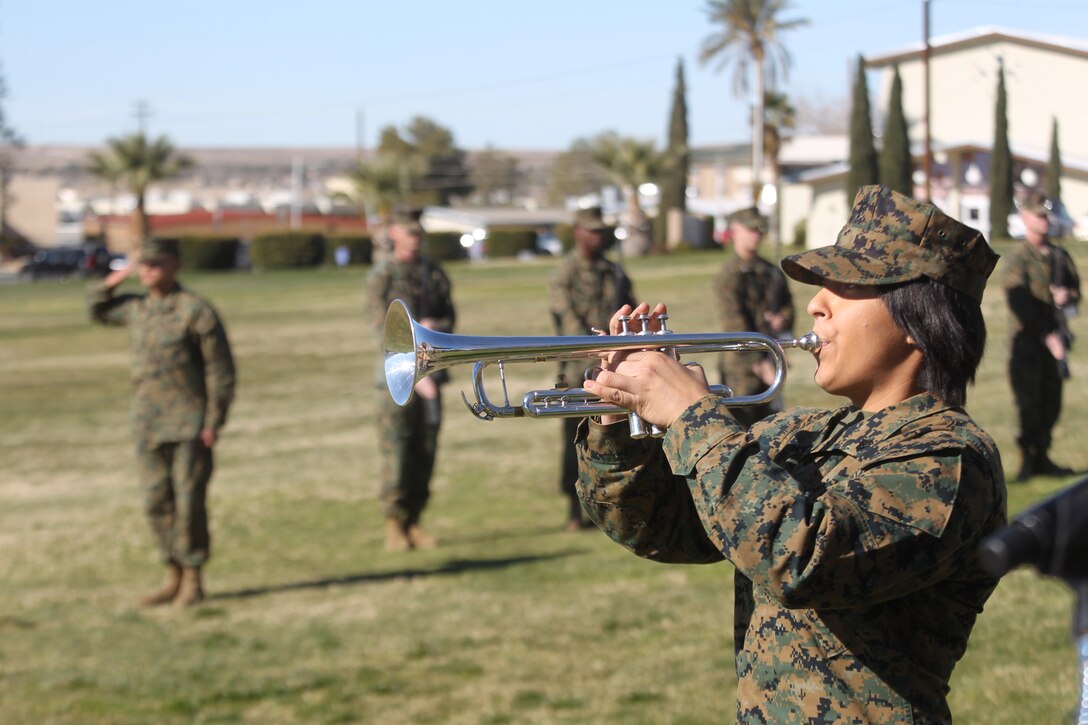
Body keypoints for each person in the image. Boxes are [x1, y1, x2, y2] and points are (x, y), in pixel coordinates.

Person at [575, 186, 1006, 722]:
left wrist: (694, 417)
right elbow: (660, 527)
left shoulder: (950, 459)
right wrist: (617, 419)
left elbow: (799, 559)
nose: (815, 304)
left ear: (919, 321)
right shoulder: (800, 433)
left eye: (846, 287)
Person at [88, 238, 236, 608]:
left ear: (175, 266)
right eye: (145, 265)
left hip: (189, 423)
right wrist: (118, 275)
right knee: (156, 502)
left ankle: (193, 576)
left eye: (157, 264)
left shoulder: (195, 311)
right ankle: (171, 572)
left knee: (189, 504)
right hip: (147, 423)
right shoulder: (136, 308)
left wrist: (214, 420)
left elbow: (220, 371)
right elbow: (96, 308)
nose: (149, 271)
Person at [368, 208, 456, 551]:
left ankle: (416, 520)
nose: (416, 237)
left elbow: (450, 316)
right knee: (398, 451)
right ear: (394, 234)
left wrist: (438, 330)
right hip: (397, 378)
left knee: (426, 450)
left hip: (433, 373)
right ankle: (394, 523)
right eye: (409, 231)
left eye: (419, 231)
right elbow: (380, 327)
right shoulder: (383, 275)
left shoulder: (434, 273)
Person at [548, 206, 635, 531]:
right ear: (578, 232)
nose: (599, 237)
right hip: (575, 372)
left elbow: (630, 316)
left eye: (602, 231)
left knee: (612, 437)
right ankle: (574, 508)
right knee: (576, 440)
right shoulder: (564, 274)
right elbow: (568, 320)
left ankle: (611, 507)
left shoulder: (615, 273)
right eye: (593, 231)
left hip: (611, 369)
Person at [1003, 191, 1081, 481]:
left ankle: (1044, 457)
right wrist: (1045, 335)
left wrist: (1067, 296)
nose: (1044, 221)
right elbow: (1018, 303)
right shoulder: (1019, 259)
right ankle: (1028, 460)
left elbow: (1076, 295)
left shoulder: (1060, 256)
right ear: (1025, 218)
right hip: (1028, 345)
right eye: (1038, 215)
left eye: (1047, 215)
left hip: (1056, 342)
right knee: (1028, 404)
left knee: (1052, 401)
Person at [712, 206, 795, 426]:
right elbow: (734, 323)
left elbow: (788, 306)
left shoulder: (771, 272)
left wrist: (782, 318)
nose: (757, 234)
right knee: (742, 425)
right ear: (735, 231)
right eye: (751, 229)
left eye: (760, 229)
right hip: (742, 364)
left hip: (771, 356)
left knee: (774, 426)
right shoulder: (729, 275)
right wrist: (759, 363)